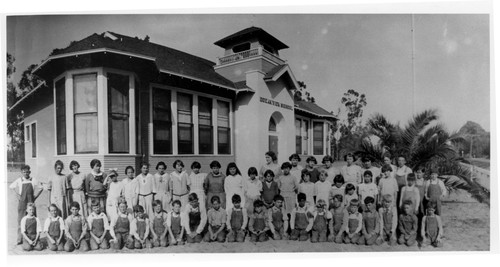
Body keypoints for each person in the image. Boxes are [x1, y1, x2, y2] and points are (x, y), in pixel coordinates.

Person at [10, 165, 43, 245]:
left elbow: (41, 188)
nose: (25, 174)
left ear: (30, 172)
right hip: (22, 203)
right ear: (21, 172)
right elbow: (11, 187)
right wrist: (17, 195)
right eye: (24, 172)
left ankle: (35, 238)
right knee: (20, 220)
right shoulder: (19, 180)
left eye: (27, 172)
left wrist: (35, 196)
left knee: (33, 220)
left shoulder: (33, 180)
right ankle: (19, 239)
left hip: (31, 202)